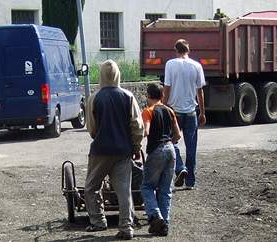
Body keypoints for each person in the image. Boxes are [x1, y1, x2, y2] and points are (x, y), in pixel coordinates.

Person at [84, 59, 144, 240]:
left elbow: (91, 128)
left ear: (102, 75)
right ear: (118, 74)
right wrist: (135, 146)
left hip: (100, 151)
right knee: (124, 191)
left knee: (91, 187)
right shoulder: (128, 96)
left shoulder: (94, 98)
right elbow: (137, 126)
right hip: (123, 151)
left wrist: (98, 136)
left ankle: (98, 221)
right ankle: (126, 227)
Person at [162, 39, 206, 190]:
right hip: (191, 112)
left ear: (176, 50)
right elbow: (200, 92)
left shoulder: (170, 64)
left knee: (170, 142)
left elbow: (167, 87)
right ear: (188, 50)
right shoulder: (197, 66)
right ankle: (190, 182)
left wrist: (162, 106)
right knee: (191, 147)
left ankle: (180, 168)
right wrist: (203, 112)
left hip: (174, 112)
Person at [141, 84, 181, 236]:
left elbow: (146, 130)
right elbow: (178, 134)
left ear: (148, 96)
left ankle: (155, 215)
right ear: (162, 96)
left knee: (147, 186)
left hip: (156, 150)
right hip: (171, 149)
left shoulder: (148, 111)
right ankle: (164, 225)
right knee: (165, 190)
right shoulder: (169, 110)